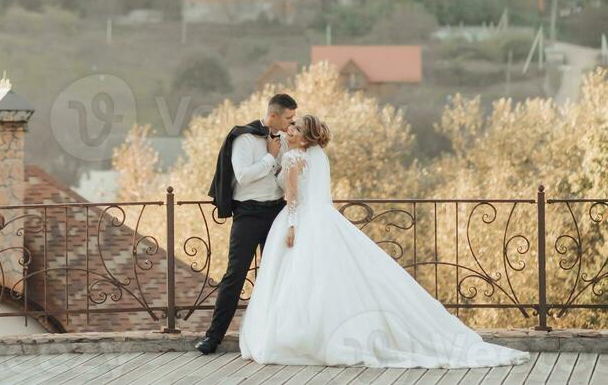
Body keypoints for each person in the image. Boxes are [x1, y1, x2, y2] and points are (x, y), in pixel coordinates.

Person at [239, 114, 532, 370]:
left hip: (298, 221)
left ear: (305, 138)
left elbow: (292, 197)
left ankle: (298, 336)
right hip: (323, 220)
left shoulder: (292, 157)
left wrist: (291, 226)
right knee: (324, 279)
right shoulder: (317, 156)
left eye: (296, 129)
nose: (290, 131)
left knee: (299, 279)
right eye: (292, 126)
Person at [194, 92, 298, 355]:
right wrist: (270, 158)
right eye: (288, 118)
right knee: (235, 274)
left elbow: (280, 179)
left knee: (278, 272)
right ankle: (213, 337)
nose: (291, 123)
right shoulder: (244, 138)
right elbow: (243, 176)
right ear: (273, 115)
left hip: (277, 212)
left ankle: (277, 338)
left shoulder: (285, 141)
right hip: (248, 214)